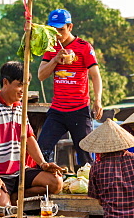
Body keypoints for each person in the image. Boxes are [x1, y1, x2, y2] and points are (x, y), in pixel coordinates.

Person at [0, 61, 64, 208]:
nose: (23, 90)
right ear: (5, 82)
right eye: (19, 85)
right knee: (1, 208)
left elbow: (29, 139)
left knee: (56, 183)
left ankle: (15, 197)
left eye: (25, 86)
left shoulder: (20, 108)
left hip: (18, 172)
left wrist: (43, 164)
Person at [36, 9, 103, 169]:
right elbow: (40, 75)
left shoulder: (84, 47)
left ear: (70, 27)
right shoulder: (51, 47)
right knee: (41, 148)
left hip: (79, 109)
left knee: (85, 155)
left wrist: (98, 99)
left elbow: (95, 75)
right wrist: (55, 59)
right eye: (54, 30)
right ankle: (44, 182)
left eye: (61, 29)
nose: (58, 34)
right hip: (57, 110)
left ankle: (88, 187)